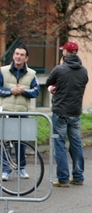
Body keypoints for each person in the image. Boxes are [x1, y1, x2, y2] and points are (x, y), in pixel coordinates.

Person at [45, 41, 88, 187]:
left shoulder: (59, 69)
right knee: (76, 143)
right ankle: (78, 177)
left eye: (63, 51)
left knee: (59, 144)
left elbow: (49, 82)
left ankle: (63, 179)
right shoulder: (83, 71)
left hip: (60, 112)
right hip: (75, 112)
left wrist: (53, 89)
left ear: (66, 53)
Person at [0, 44, 40, 181]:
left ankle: (20, 169)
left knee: (21, 143)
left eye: (22, 55)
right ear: (13, 55)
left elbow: (36, 92)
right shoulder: (3, 71)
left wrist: (23, 91)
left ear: (26, 58)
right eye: (17, 54)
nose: (19, 57)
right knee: (5, 142)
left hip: (22, 113)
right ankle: (5, 170)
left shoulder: (32, 74)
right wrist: (10, 91)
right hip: (5, 112)